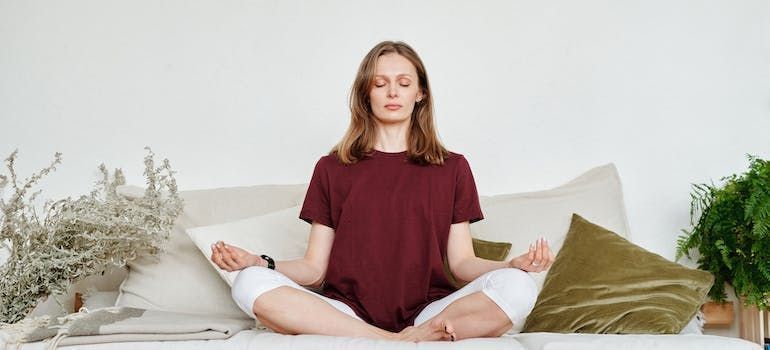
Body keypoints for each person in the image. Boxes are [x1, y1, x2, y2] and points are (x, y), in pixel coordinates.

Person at [210, 40, 555, 342]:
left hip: (429, 310)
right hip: (347, 312)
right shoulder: (332, 167)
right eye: (380, 83)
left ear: (420, 94)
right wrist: (260, 262)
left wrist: (512, 265)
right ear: (366, 93)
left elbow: (462, 264)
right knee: (248, 282)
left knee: (519, 286)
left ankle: (409, 334)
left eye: (403, 83)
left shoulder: (452, 167)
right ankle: (395, 340)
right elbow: (314, 270)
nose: (392, 92)